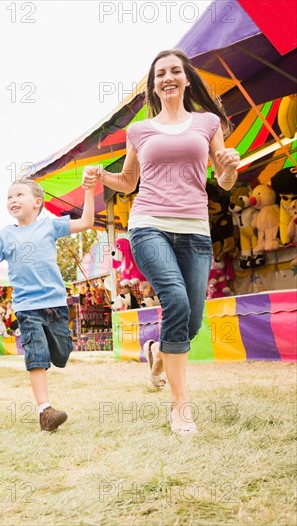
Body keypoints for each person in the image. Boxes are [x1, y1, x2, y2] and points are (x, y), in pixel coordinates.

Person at [86, 49, 240, 436]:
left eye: (175, 71)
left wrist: (229, 169)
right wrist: (101, 174)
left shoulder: (207, 123)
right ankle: (181, 407)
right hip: (148, 224)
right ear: (153, 85)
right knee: (175, 298)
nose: (168, 78)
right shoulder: (140, 130)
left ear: (187, 79)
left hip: (195, 231)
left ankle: (156, 351)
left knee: (189, 322)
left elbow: (223, 181)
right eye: (160, 74)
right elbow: (129, 182)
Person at [0, 175, 97, 431]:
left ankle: (56, 356)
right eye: (9, 197)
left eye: (19, 195)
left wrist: (88, 189)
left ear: (37, 202)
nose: (13, 200)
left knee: (61, 355)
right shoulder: (5, 236)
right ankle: (45, 410)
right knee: (37, 355)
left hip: (55, 304)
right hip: (27, 307)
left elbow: (87, 222)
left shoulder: (49, 226)